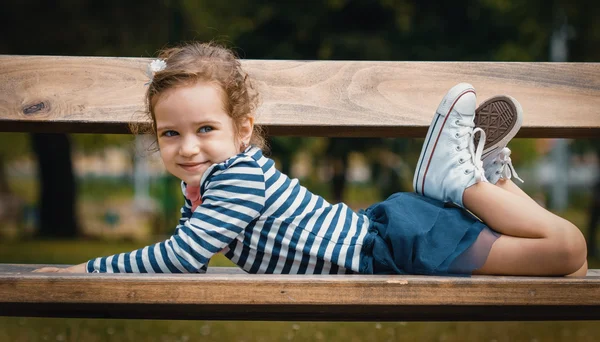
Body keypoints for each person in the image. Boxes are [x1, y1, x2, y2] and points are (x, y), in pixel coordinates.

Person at [34, 42, 587, 276]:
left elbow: (181, 256)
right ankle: (487, 178)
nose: (188, 147)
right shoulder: (202, 189)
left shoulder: (237, 180)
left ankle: (459, 181)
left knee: (568, 251)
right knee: (573, 269)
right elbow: (193, 258)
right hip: (392, 237)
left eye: (205, 129)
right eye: (171, 134)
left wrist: (87, 268)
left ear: (242, 130)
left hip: (395, 249)